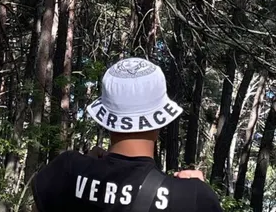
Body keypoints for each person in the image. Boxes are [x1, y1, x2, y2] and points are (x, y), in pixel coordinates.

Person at [32, 58, 222, 212]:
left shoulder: (66, 171)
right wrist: (195, 193)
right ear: (161, 119)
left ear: (106, 117)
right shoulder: (192, 197)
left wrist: (86, 167)